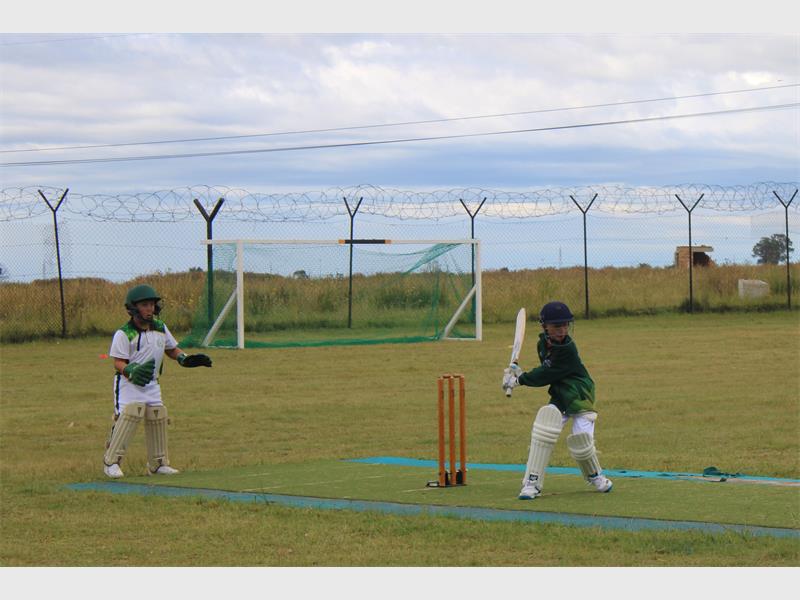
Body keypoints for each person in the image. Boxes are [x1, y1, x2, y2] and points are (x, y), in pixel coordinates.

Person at [502, 301, 612, 499]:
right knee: (544, 429)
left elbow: (546, 373)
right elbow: (546, 369)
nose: (562, 331)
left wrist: (518, 380)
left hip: (579, 393)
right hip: (561, 392)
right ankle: (531, 484)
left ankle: (596, 477)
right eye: (556, 327)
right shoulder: (542, 343)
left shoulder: (568, 349)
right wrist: (518, 372)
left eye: (565, 326)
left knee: (582, 441)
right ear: (545, 327)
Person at [103, 284, 212, 478]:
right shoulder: (124, 333)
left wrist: (185, 359)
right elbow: (118, 362)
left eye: (152, 305)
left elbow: (171, 349)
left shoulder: (160, 327)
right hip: (129, 383)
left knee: (157, 415)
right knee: (128, 416)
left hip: (152, 383)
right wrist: (131, 370)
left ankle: (158, 464)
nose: (150, 309)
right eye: (145, 305)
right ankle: (111, 463)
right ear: (133, 308)